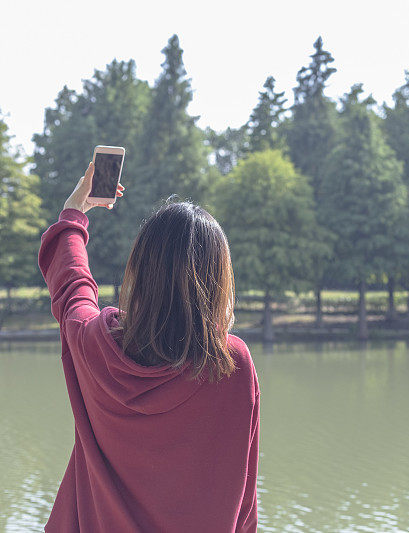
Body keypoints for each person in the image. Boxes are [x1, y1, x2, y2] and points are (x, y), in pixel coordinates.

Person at [38, 162, 260, 532]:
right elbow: (245, 497)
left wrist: (74, 214)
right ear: (219, 281)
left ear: (140, 273)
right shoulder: (231, 364)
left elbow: (73, 287)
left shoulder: (98, 347)